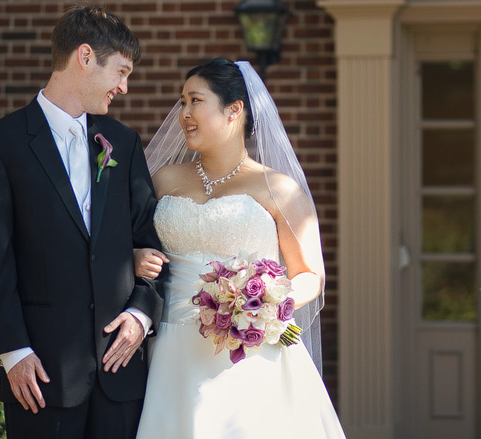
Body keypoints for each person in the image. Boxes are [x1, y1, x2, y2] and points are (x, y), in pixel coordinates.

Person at [0, 4, 166, 439]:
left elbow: (152, 242)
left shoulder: (123, 143)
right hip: (40, 374)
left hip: (121, 373)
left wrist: (140, 314)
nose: (125, 87)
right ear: (85, 57)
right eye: (121, 71)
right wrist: (14, 352)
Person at [133, 58, 346, 438]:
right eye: (181, 102)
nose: (184, 114)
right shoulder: (163, 180)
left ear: (234, 110)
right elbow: (128, 244)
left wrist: (265, 300)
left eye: (195, 101)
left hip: (247, 349)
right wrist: (134, 258)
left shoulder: (278, 189)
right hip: (170, 348)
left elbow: (309, 274)